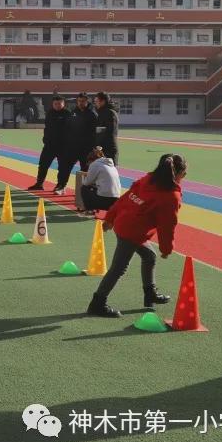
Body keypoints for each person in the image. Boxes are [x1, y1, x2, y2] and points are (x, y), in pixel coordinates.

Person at [86, 154, 185, 318]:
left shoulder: (147, 180)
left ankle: (150, 293)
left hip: (125, 224)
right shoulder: (170, 196)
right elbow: (167, 225)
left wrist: (110, 218)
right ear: (179, 174)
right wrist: (166, 248)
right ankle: (97, 303)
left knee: (149, 256)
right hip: (132, 231)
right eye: (184, 174)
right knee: (118, 268)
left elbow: (125, 199)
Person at [56, 92, 98, 195]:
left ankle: (84, 191)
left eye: (83, 101)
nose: (80, 103)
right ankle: (61, 186)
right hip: (72, 147)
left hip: (86, 149)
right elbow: (67, 128)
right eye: (79, 101)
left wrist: (93, 147)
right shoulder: (73, 113)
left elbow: (95, 132)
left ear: (87, 102)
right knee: (65, 167)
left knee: (85, 170)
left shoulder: (93, 114)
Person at [28, 95, 70, 191]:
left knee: (62, 167)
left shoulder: (68, 114)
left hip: (63, 146)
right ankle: (39, 184)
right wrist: (45, 139)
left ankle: (60, 185)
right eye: (55, 104)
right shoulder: (50, 113)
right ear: (52, 104)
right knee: (43, 164)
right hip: (49, 145)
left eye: (59, 103)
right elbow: (47, 128)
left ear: (63, 104)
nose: (57, 105)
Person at [79, 147, 122, 214]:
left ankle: (90, 210)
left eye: (88, 162)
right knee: (97, 188)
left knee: (84, 188)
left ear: (91, 160)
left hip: (104, 202)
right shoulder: (111, 165)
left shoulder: (95, 164)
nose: (88, 165)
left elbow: (87, 182)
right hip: (116, 201)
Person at [94, 91, 120, 166]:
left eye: (96, 101)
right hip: (102, 149)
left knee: (109, 175)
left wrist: (98, 146)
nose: (95, 103)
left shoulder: (109, 113)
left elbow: (108, 133)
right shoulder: (102, 113)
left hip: (108, 150)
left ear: (103, 101)